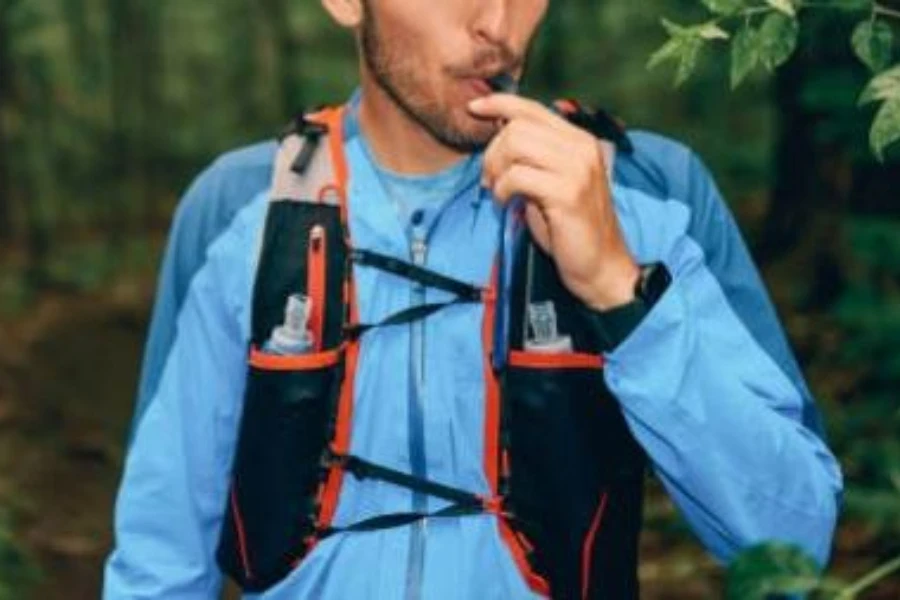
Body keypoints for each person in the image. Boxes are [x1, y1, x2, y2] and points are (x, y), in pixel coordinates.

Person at [105, 0, 843, 598]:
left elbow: (791, 542)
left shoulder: (645, 193)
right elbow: (159, 556)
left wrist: (619, 291)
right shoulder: (247, 210)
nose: (499, 24)